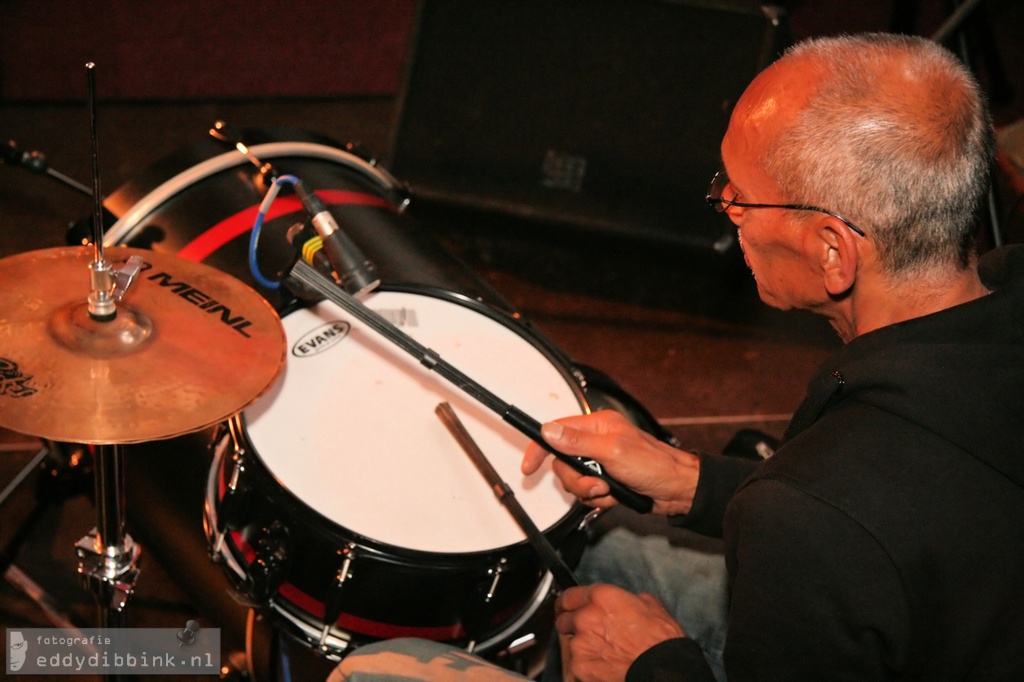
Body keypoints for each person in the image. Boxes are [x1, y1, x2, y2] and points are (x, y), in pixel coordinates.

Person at [330, 32, 1024, 682]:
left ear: (831, 250)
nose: (723, 203)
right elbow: (895, 520)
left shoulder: (815, 513)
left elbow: (837, 521)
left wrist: (652, 664)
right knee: (608, 548)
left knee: (376, 671)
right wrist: (690, 479)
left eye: (740, 196)